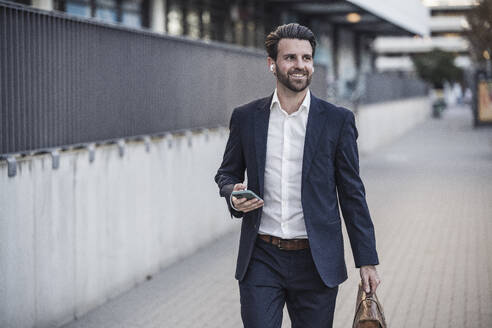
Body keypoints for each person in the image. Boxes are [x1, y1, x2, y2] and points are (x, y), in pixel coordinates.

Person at [214, 23, 380, 328]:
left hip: (316, 262)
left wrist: (366, 259)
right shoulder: (247, 117)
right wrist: (233, 195)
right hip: (261, 257)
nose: (299, 65)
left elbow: (352, 193)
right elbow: (227, 173)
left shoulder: (337, 121)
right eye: (290, 57)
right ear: (272, 64)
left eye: (306, 58)